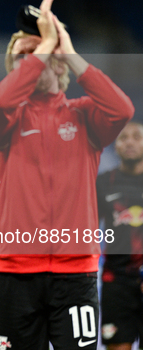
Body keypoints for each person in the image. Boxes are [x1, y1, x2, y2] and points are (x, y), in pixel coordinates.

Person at [0, 0, 134, 350]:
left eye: (40, 53)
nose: (31, 60)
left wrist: (68, 51)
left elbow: (122, 110)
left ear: (60, 64)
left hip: (75, 272)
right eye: (22, 56)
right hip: (14, 272)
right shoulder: (3, 119)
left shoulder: (84, 116)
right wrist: (45, 44)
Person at [97, 121, 143, 350]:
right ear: (115, 145)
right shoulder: (104, 182)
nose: (130, 142)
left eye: (137, 136)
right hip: (116, 281)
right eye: (124, 137)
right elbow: (88, 228)